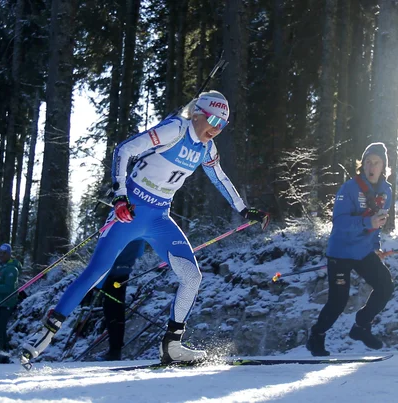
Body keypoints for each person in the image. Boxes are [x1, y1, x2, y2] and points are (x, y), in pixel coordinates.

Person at [23, 90, 270, 365]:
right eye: (213, 119)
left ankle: (172, 345)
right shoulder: (174, 129)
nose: (216, 128)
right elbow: (125, 149)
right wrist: (120, 195)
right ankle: (44, 335)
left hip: (159, 219)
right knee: (97, 270)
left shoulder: (207, 149)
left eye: (223, 124)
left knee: (192, 277)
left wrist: (243, 209)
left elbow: (220, 178)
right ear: (198, 113)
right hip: (131, 212)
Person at [306, 142, 394, 356]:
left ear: (384, 167)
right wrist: (367, 223)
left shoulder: (386, 191)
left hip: (364, 252)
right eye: (368, 162)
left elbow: (378, 223)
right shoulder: (349, 189)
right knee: (338, 301)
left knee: (385, 286)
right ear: (362, 165)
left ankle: (361, 326)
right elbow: (340, 222)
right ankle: (316, 337)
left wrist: (375, 247)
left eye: (376, 162)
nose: (371, 167)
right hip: (341, 253)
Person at [96, 239, 145, 361]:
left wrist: (98, 284)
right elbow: (139, 253)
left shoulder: (118, 229)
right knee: (118, 310)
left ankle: (114, 351)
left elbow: (106, 254)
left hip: (111, 274)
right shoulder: (139, 233)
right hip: (125, 273)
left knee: (111, 310)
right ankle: (116, 349)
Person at [0, 243, 20, 363]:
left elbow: (9, 288)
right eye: (0, 253)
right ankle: (4, 358)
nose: (1, 255)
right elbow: (1, 282)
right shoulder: (3, 268)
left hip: (5, 304)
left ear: (9, 254)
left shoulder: (12, 269)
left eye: (4, 253)